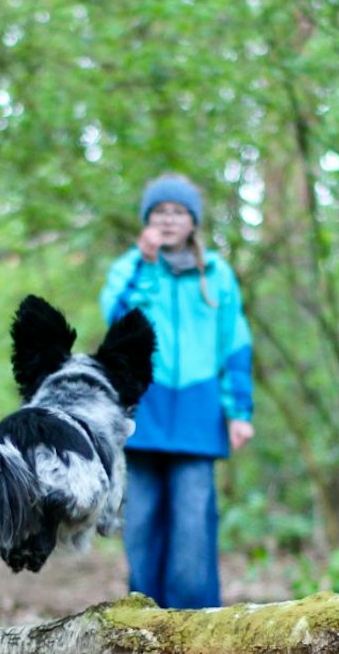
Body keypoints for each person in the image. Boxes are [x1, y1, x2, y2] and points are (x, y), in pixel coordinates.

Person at [99, 173, 254, 609]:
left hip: (199, 413)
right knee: (143, 522)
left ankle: (197, 623)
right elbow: (116, 320)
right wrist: (144, 264)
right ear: (147, 220)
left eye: (178, 212)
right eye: (160, 212)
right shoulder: (130, 267)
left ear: (193, 221)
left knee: (192, 526)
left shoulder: (217, 274)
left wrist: (239, 410)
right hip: (143, 411)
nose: (168, 220)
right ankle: (145, 622)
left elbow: (234, 343)